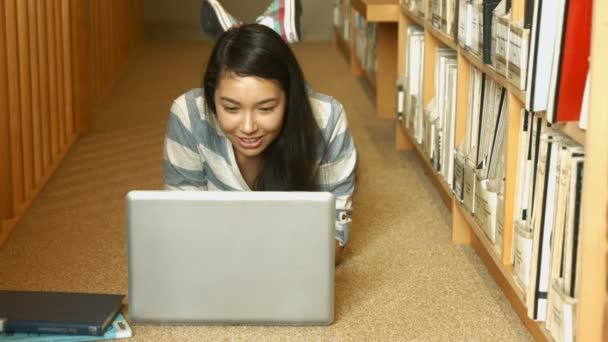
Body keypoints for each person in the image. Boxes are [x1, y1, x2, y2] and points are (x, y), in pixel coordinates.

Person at [163, 10, 356, 265]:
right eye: (231, 108)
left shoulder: (327, 120)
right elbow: (182, 229)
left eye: (266, 109)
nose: (247, 127)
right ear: (211, 99)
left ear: (290, 98)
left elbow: (333, 243)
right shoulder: (189, 116)